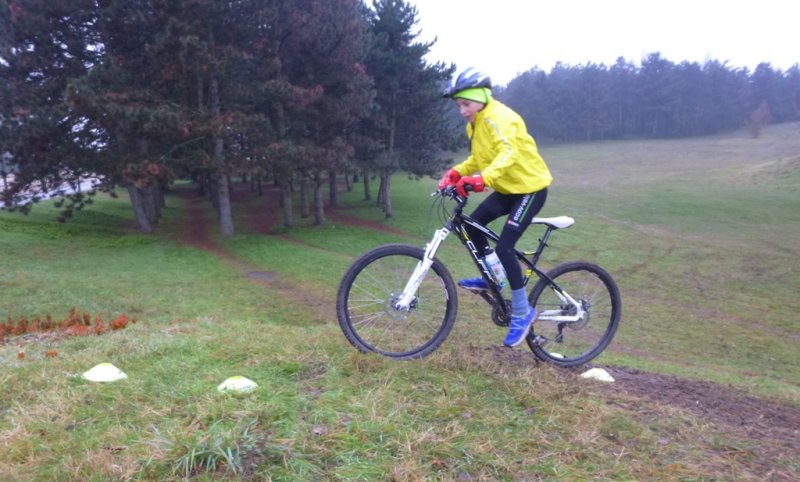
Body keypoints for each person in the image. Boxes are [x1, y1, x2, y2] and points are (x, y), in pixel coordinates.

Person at [438, 67, 553, 348]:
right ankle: (495, 277)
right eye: (458, 106)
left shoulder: (502, 118)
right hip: (506, 189)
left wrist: (482, 179)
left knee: (504, 247)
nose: (462, 111)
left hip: (530, 189)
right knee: (471, 225)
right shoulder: (475, 123)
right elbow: (480, 159)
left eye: (466, 104)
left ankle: (523, 313)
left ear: (480, 97)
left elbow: (508, 154)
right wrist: (457, 171)